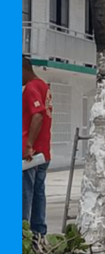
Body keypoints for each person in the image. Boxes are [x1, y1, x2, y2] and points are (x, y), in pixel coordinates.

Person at [23, 56, 53, 236]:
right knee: (37, 195)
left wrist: (28, 145)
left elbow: (38, 116)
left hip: (30, 154)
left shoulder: (31, 88)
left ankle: (23, 235)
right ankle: (38, 235)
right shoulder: (43, 85)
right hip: (43, 152)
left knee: (24, 197)